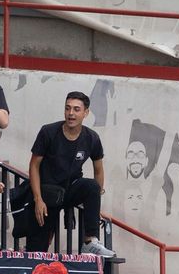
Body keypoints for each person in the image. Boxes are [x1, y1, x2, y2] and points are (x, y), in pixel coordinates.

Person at [27, 92, 114, 256]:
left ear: (86, 113)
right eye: (67, 109)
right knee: (37, 248)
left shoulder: (92, 138)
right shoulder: (48, 132)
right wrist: (38, 198)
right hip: (47, 193)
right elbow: (34, 166)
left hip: (71, 189)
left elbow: (99, 170)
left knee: (92, 187)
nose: (71, 114)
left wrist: (94, 206)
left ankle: (90, 241)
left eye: (76, 109)